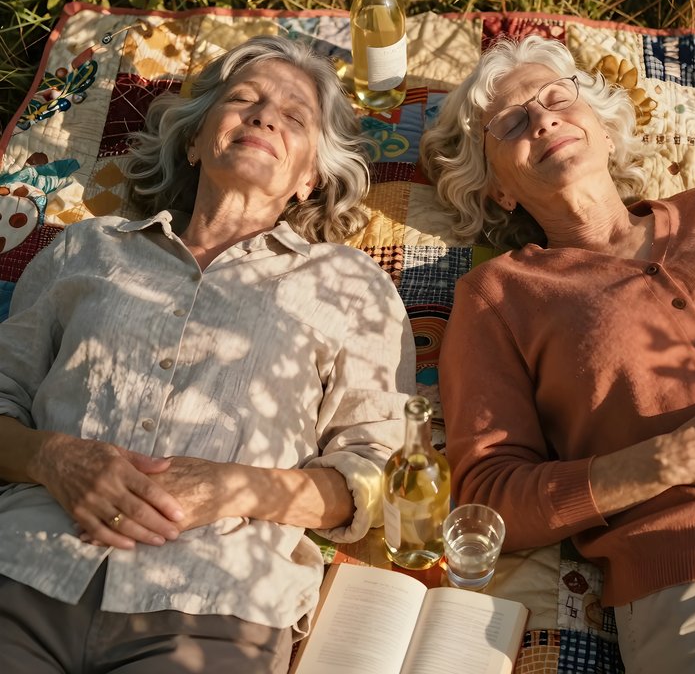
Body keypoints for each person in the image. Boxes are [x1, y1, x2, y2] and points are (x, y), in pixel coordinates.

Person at [0, 35, 416, 673]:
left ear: (309, 178)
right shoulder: (86, 248)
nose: (264, 116)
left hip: (215, 603)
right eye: (243, 99)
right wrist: (56, 458)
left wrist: (233, 488)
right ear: (194, 142)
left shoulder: (351, 286)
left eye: (294, 117)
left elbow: (374, 479)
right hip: (23, 566)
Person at [420, 34, 695, 673]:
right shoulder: (499, 294)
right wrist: (665, 460)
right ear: (498, 189)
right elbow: (490, 499)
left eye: (556, 99)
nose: (542, 118)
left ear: (603, 127)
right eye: (511, 122)